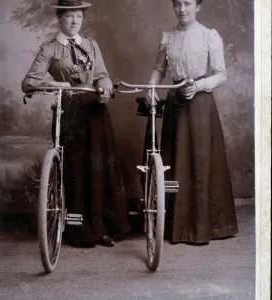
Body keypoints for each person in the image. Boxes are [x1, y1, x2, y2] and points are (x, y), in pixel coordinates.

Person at [22, 0, 130, 247]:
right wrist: (57, 85)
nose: (74, 21)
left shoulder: (91, 45)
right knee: (76, 170)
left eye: (78, 17)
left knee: (99, 168)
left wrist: (104, 88)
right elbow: (29, 81)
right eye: (69, 16)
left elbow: (102, 75)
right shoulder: (49, 49)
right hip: (69, 113)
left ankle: (102, 228)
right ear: (59, 18)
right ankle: (80, 230)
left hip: (95, 112)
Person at [146, 0, 238, 244]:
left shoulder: (209, 36)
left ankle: (202, 227)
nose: (182, 9)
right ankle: (176, 226)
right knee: (175, 159)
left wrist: (198, 86)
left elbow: (221, 74)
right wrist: (152, 86)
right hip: (175, 102)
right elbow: (159, 68)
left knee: (200, 161)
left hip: (200, 105)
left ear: (198, 6)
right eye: (177, 4)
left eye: (188, 3)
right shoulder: (167, 37)